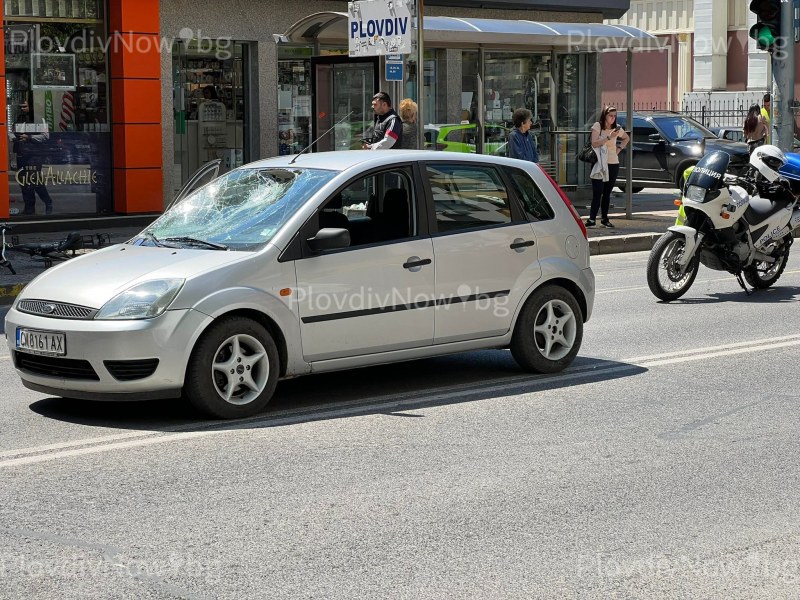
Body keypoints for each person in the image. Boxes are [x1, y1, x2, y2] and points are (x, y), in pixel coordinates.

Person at [586, 105, 629, 228]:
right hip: (599, 163)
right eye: (610, 116)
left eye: (615, 116)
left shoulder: (616, 128)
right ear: (604, 115)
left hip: (613, 163)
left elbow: (626, 138)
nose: (612, 118)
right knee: (597, 192)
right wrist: (609, 137)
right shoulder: (597, 126)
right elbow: (594, 143)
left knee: (607, 192)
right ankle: (592, 219)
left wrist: (619, 148)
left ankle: (604, 218)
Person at [11, 99, 54, 216]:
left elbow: (45, 136)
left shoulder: (39, 118)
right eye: (21, 106)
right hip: (22, 153)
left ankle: (48, 202)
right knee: (24, 182)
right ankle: (29, 209)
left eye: (24, 106)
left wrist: (29, 137)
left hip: (34, 154)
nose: (22, 108)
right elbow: (13, 132)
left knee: (34, 180)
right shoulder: (20, 118)